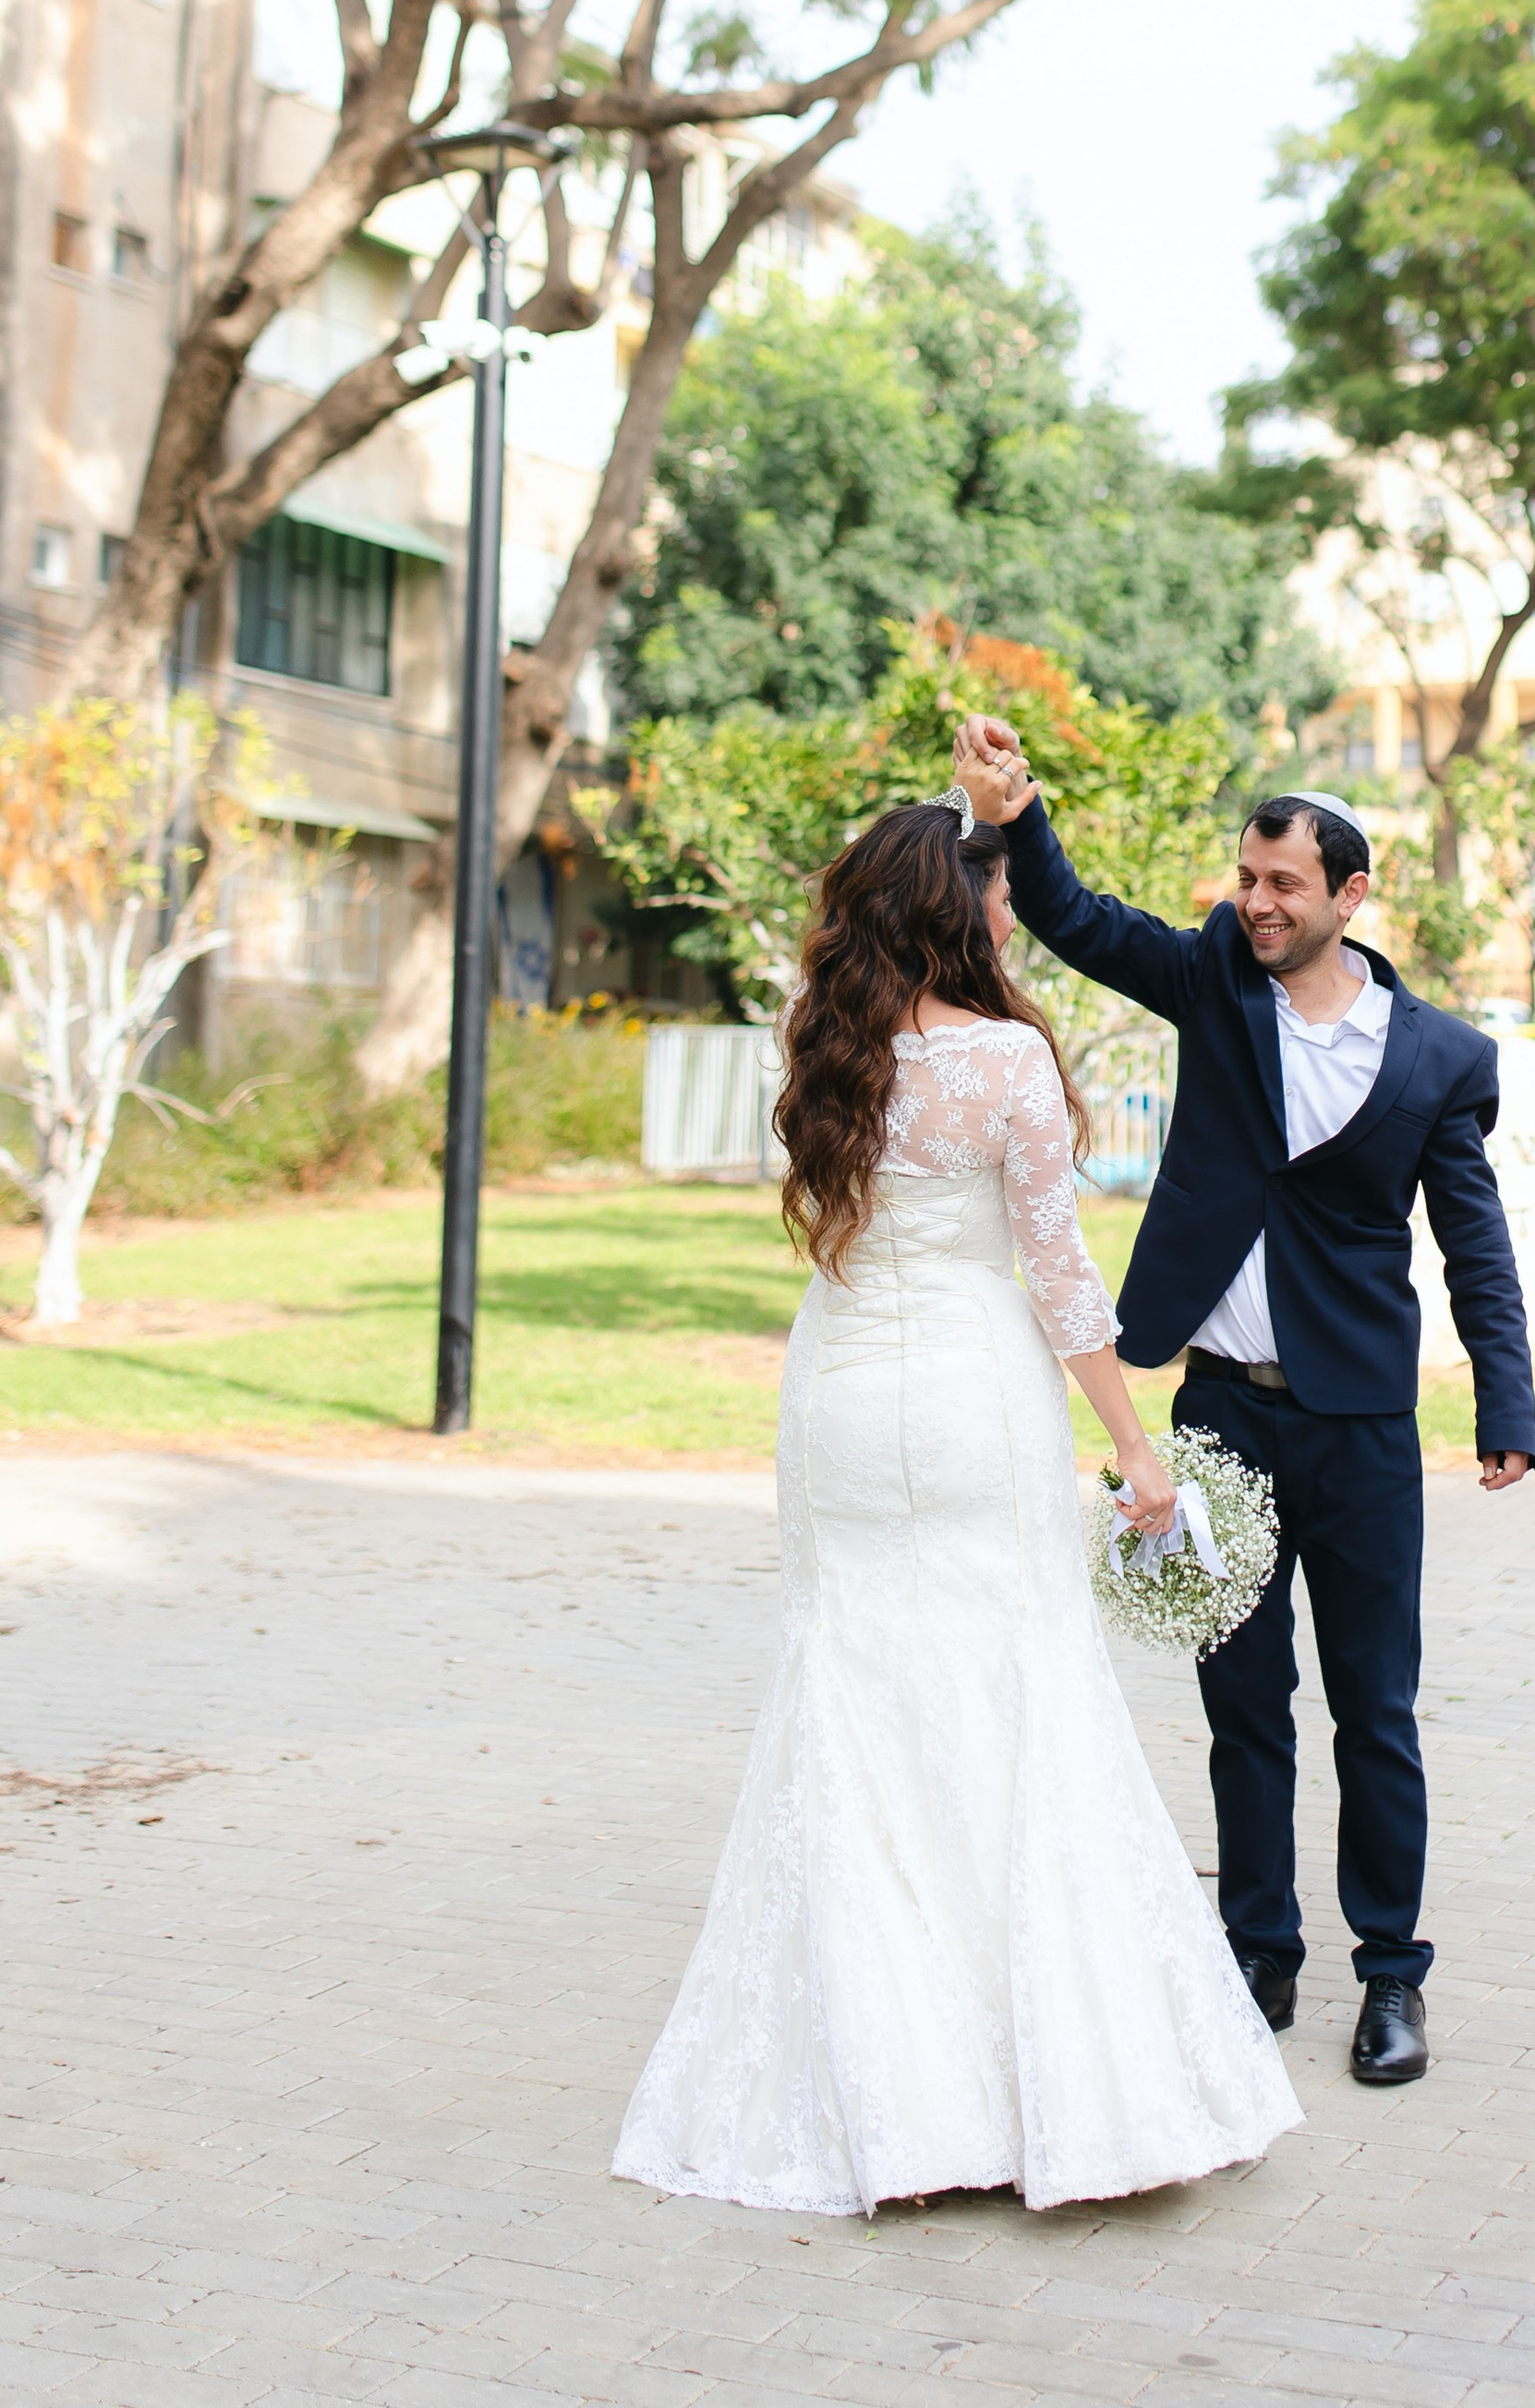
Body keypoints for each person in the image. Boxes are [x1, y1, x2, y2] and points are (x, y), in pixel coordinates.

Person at [612, 791, 1300, 2219]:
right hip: (978, 1394)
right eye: (991, 892)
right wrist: (1136, 1447)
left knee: (854, 1699)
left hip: (846, 1393)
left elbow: (840, 1227)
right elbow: (1058, 1277)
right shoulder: (1008, 1063)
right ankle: (1049, 2085)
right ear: (953, 909)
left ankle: (890, 2091)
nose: (1010, 910)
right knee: (1018, 1689)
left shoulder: (817, 1048)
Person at [953, 720, 1535, 2091]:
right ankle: (1256, 1956)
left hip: (1361, 1429)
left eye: (1285, 885)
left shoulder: (1441, 1059)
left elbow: (1478, 1246)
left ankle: (1391, 1977)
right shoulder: (1212, 979)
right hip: (1221, 1414)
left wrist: (1502, 1402)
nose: (1258, 904)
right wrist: (1017, 809)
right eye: (1246, 879)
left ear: (1350, 896)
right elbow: (1077, 919)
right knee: (1245, 1707)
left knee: (1373, 1711)